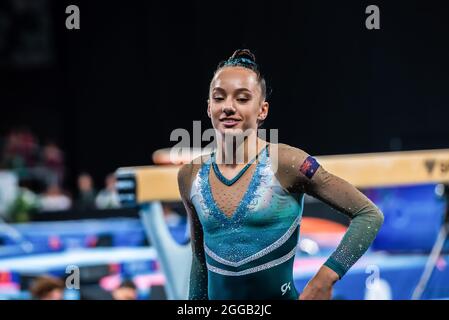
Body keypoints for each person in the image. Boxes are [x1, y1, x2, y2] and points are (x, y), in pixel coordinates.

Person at [177, 49, 384, 300]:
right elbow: (200, 262)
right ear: (209, 107)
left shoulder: (287, 163)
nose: (228, 107)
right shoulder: (191, 175)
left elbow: (369, 215)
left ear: (262, 110)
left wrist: (326, 277)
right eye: (219, 98)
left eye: (242, 99)